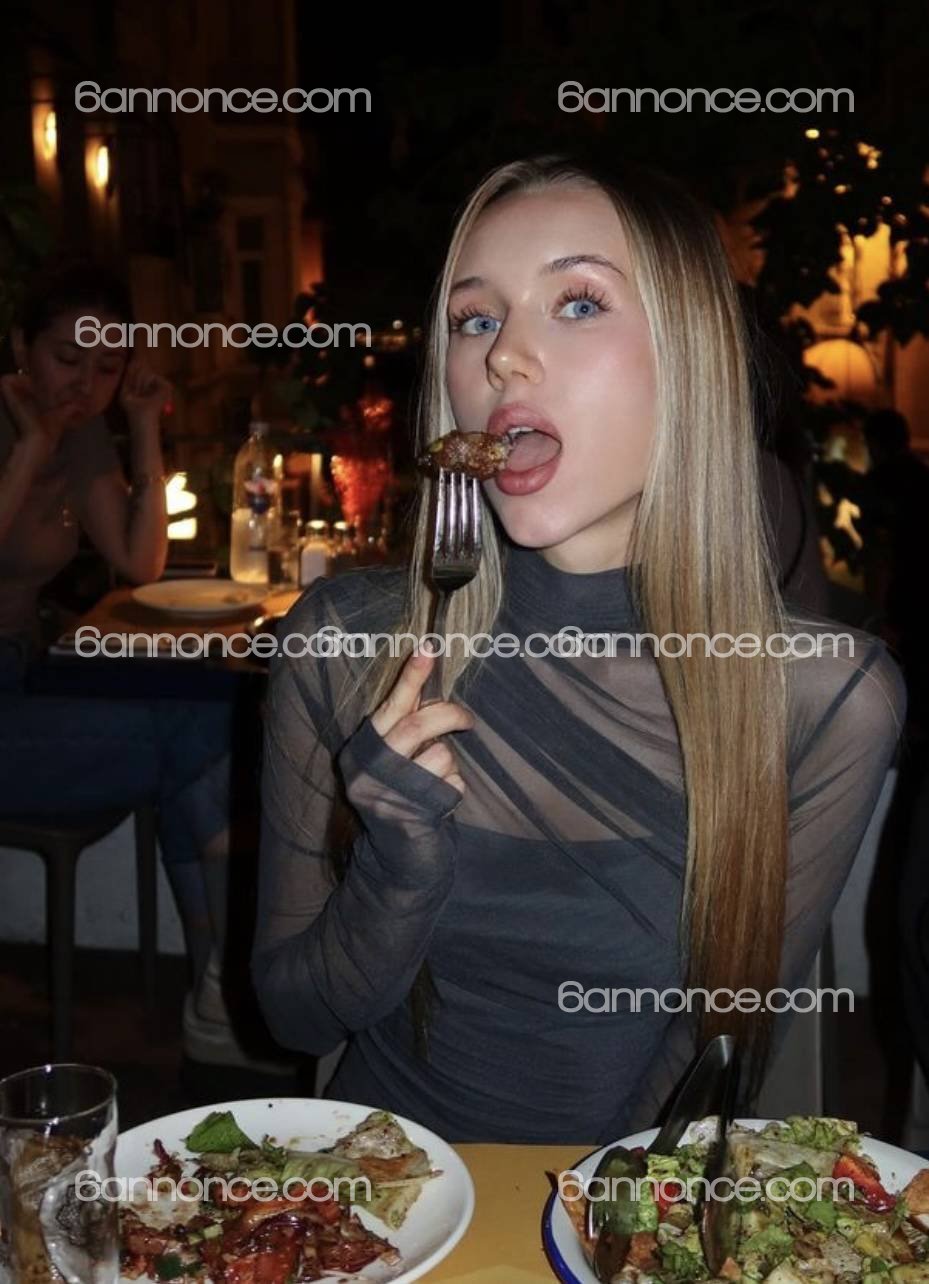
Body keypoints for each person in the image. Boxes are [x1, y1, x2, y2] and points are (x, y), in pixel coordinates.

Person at [252, 155, 906, 1143]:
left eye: (578, 303)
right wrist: (395, 865)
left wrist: (588, 1211)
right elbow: (293, 1019)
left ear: (691, 359)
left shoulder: (824, 702)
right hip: (378, 1197)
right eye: (474, 319)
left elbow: (712, 1052)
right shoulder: (345, 644)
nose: (503, 358)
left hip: (613, 1201)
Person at [0, 258, 235, 1055]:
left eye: (106, 367)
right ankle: (222, 990)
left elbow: (139, 563)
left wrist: (142, 428)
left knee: (202, 713)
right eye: (67, 358)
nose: (84, 384)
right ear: (21, 347)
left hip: (24, 680)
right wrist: (29, 450)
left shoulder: (81, 433)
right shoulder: (25, 429)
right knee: (194, 734)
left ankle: (217, 987)